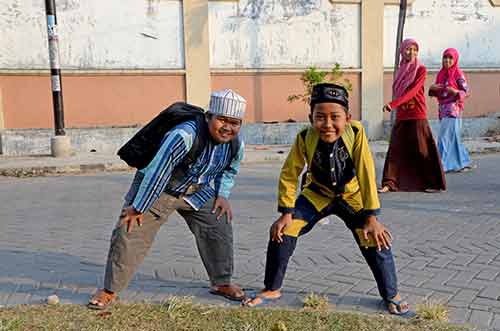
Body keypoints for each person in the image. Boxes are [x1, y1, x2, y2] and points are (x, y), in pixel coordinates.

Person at [243, 83, 413, 317]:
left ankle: (391, 294)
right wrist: (286, 212)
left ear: (348, 118)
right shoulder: (304, 137)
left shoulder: (356, 133)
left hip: (352, 196)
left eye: (335, 117)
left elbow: (365, 171)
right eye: (320, 117)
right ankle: (272, 288)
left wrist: (372, 217)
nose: (328, 124)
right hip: (317, 194)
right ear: (311, 117)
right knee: (283, 231)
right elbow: (290, 173)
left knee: (374, 238)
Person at [88, 89, 247, 309]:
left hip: (196, 191)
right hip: (159, 189)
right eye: (222, 120)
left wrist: (222, 195)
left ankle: (221, 283)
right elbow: (157, 172)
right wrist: (139, 206)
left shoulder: (236, 143)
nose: (228, 127)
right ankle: (109, 290)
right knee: (130, 230)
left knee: (218, 224)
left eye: (234, 122)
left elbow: (230, 170)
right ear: (209, 116)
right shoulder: (184, 135)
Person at [379, 39, 446, 193]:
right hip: (402, 114)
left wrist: (393, 104)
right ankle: (390, 183)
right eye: (408, 49)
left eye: (414, 49)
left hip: (417, 113)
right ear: (402, 51)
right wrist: (397, 105)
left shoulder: (421, 69)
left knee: (422, 149)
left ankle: (432, 183)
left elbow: (413, 91)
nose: (411, 52)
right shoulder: (401, 69)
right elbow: (399, 89)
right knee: (395, 148)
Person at [429, 48, 472, 172]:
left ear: (455, 59)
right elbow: (437, 91)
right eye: (445, 58)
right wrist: (433, 90)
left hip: (453, 109)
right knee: (453, 137)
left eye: (450, 58)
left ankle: (441, 165)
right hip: (443, 109)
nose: (447, 60)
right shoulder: (441, 74)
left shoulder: (458, 74)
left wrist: (455, 91)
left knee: (444, 137)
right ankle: (463, 162)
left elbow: (466, 92)